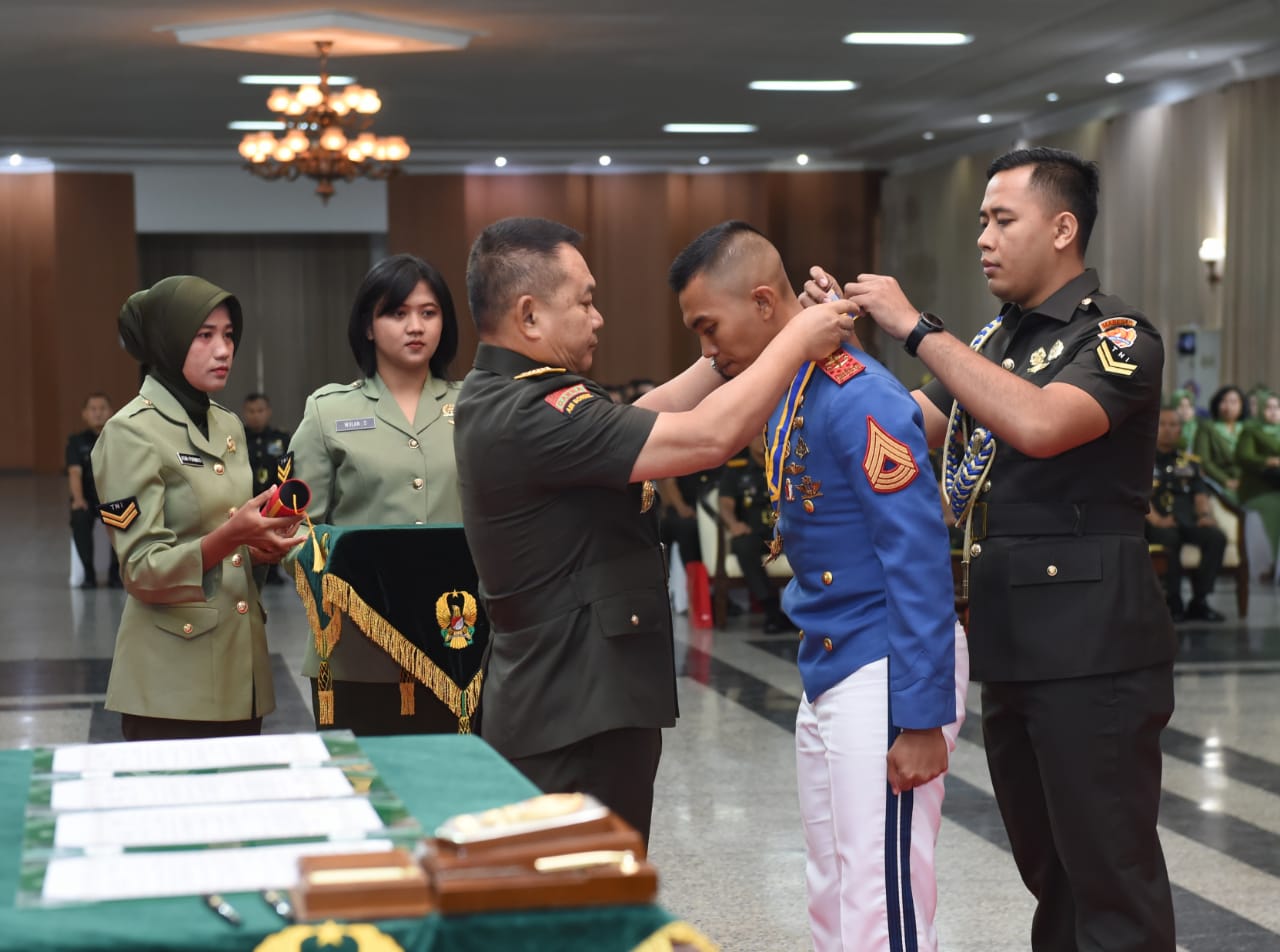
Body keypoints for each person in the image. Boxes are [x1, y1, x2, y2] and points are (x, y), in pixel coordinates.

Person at [806, 147, 1177, 950]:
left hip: (1093, 646)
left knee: (1110, 870)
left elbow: (1040, 425)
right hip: (1009, 638)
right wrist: (834, 348)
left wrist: (918, 329)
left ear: (1063, 228)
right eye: (981, 221)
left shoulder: (1115, 336)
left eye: (1002, 220)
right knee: (1050, 870)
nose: (983, 237)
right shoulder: (994, 340)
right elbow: (903, 427)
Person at [454, 216, 856, 844]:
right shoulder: (525, 412)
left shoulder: (512, 396)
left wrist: (729, 354)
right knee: (584, 907)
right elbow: (707, 437)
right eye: (584, 301)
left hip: (573, 696)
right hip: (573, 709)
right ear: (529, 316)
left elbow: (635, 422)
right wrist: (796, 340)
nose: (598, 317)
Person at [671, 221, 965, 952]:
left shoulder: (851, 394)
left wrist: (923, 714)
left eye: (710, 328)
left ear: (766, 303)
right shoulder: (791, 390)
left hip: (887, 663)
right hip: (833, 658)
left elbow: (920, 550)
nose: (707, 351)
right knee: (832, 879)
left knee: (881, 888)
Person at [92, 276, 304, 741]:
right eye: (204, 335)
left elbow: (231, 550)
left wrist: (262, 547)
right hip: (170, 682)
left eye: (229, 335)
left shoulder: (226, 424)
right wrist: (234, 536)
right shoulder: (130, 432)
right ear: (168, 341)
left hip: (239, 670)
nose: (223, 349)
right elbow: (140, 569)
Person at [287, 253, 467, 734]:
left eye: (428, 313)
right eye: (397, 312)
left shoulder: (473, 406)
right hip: (354, 647)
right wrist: (351, 582)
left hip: (457, 640)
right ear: (368, 326)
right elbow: (295, 530)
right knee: (363, 795)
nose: (415, 326)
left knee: (454, 792)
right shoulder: (328, 411)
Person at [1147, 406, 1227, 622]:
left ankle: (1199, 601)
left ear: (1180, 430)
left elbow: (1200, 493)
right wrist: (1158, 520)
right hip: (1155, 522)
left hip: (1187, 520)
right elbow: (1139, 496)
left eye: (1173, 425)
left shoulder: (1190, 462)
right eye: (1162, 424)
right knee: (1170, 539)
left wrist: (1204, 515)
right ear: (1153, 428)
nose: (1167, 430)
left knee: (1216, 537)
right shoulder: (1141, 461)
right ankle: (1173, 602)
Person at [716, 434, 793, 632]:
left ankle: (805, 611)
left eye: (766, 435)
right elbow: (725, 504)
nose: (762, 440)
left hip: (786, 531)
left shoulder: (786, 465)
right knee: (742, 545)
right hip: (755, 532)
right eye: (757, 436)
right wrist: (733, 523)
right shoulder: (736, 469)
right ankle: (771, 610)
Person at [66, 392, 121, 589]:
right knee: (79, 516)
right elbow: (74, 473)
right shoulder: (76, 442)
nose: (98, 413)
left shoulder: (119, 440)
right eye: (93, 409)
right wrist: (78, 499)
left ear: (111, 412)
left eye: (102, 408)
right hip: (88, 498)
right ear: (85, 414)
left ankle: (116, 572)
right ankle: (88, 573)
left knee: (126, 514)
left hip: (113, 497)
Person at [241, 392, 291, 585]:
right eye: (251, 411)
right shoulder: (238, 438)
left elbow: (288, 468)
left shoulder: (280, 439)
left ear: (268, 412)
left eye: (260, 410)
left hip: (273, 496)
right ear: (245, 412)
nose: (256, 415)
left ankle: (272, 572)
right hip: (248, 496)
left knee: (273, 533)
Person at [1235, 391, 1280, 563]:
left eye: (1277, 407)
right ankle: (1273, 562)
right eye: (1268, 408)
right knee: (1276, 507)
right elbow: (1243, 457)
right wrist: (1270, 461)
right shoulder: (1251, 430)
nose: (1273, 412)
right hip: (1258, 488)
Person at [1194, 385, 1248, 499]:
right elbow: (1204, 461)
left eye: (1233, 402)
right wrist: (1226, 481)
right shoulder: (1207, 427)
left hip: (1247, 482)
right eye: (1223, 401)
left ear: (1242, 406)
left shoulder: (1247, 428)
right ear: (1217, 404)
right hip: (1217, 482)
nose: (1228, 406)